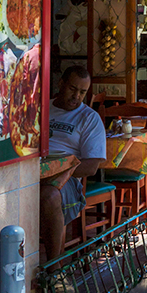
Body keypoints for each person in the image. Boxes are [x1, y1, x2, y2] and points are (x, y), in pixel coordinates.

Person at [39, 65, 107, 261]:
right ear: (61, 84)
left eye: (82, 92)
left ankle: (54, 269)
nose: (76, 96)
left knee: (49, 195)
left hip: (67, 181)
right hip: (31, 170)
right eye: (72, 89)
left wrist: (59, 172)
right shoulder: (42, 108)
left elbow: (91, 167)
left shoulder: (89, 119)